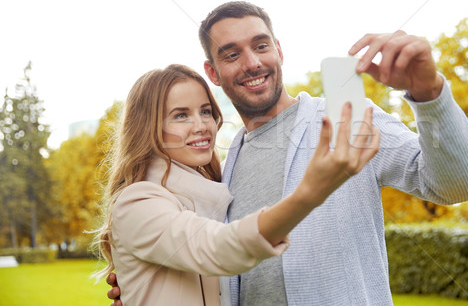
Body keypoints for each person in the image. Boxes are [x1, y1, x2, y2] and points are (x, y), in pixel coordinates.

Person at [108, 1, 468, 305]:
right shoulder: (225, 162)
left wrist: (430, 94)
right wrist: (147, 284)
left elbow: (455, 186)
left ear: (279, 50)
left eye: (260, 45)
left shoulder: (343, 119)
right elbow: (212, 250)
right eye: (231, 54)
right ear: (214, 72)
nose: (252, 62)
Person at [95, 63, 379, 306]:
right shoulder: (138, 202)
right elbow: (218, 248)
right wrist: (309, 194)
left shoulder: (213, 192)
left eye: (205, 111)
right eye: (181, 115)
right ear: (148, 127)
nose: (201, 126)